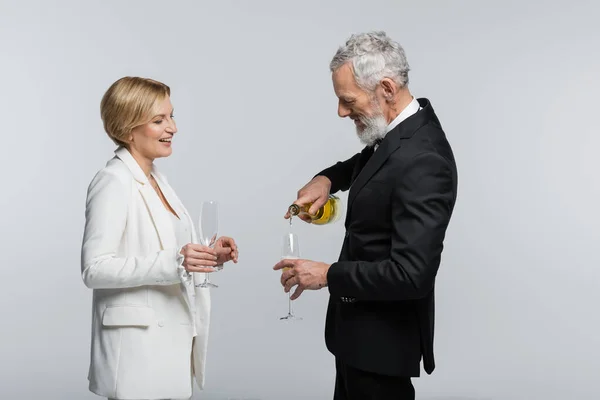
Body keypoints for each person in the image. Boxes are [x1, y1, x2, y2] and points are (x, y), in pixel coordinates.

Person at [273, 31, 458, 400]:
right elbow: (371, 161)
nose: (341, 111)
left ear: (386, 88)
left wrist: (327, 274)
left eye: (347, 100)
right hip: (359, 340)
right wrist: (328, 179)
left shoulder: (425, 160)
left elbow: (412, 275)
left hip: (383, 347)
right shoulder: (403, 131)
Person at [81, 76, 239, 400]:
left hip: (170, 345)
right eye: (159, 120)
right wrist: (176, 261)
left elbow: (172, 253)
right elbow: (94, 269)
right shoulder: (113, 181)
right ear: (128, 129)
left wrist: (208, 254)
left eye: (171, 116)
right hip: (137, 354)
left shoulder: (157, 178)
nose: (173, 128)